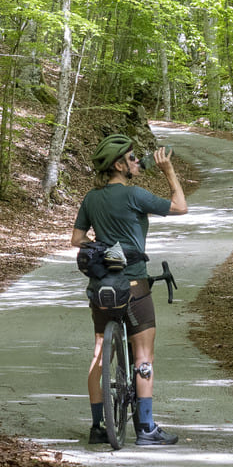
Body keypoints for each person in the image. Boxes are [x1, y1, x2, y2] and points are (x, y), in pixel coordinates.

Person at [72, 133, 188, 446]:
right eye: (133, 157)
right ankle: (147, 427)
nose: (137, 161)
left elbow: (76, 239)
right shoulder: (135, 195)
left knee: (99, 356)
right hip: (135, 285)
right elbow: (180, 206)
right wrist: (167, 170)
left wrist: (103, 249)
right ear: (120, 165)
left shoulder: (91, 199)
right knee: (144, 355)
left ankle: (98, 426)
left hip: (102, 288)